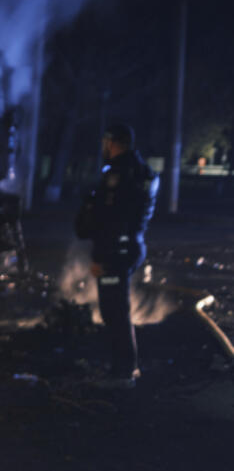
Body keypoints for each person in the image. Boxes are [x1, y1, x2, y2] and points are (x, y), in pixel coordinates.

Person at [75, 123, 159, 389]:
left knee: (115, 312)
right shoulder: (140, 170)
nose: (104, 146)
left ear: (114, 143)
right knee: (115, 310)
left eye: (106, 141)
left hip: (116, 250)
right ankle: (123, 369)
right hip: (129, 247)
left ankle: (123, 373)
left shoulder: (120, 174)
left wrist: (105, 258)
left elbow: (113, 220)